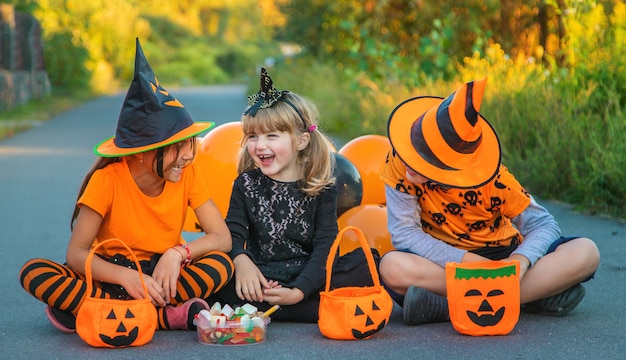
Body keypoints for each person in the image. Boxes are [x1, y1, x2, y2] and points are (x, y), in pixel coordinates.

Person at [18, 39, 234, 333]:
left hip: (162, 273)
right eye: (176, 147)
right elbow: (77, 254)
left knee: (221, 265)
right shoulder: (107, 180)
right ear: (142, 153)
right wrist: (125, 277)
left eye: (188, 144)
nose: (187, 154)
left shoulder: (189, 174)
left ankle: (101, 310)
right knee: (35, 273)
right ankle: (160, 316)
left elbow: (221, 237)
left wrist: (176, 254)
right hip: (110, 272)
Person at [379, 77, 600, 325]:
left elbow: (544, 225)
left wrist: (519, 261)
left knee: (586, 252)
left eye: (424, 162)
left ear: (454, 169)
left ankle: (451, 307)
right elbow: (404, 233)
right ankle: (527, 297)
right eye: (412, 151)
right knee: (392, 267)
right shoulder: (399, 162)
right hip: (444, 261)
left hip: (502, 255)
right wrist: (474, 265)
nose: (411, 163)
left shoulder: (494, 181)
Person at [210, 67, 365, 323]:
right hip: (261, 276)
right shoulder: (246, 184)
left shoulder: (321, 187)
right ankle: (307, 310)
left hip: (307, 275)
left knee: (366, 266)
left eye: (272, 136)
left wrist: (299, 290)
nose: (260, 145)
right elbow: (233, 234)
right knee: (214, 273)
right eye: (253, 136)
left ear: (301, 141)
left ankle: (285, 306)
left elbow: (325, 246)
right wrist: (241, 261)